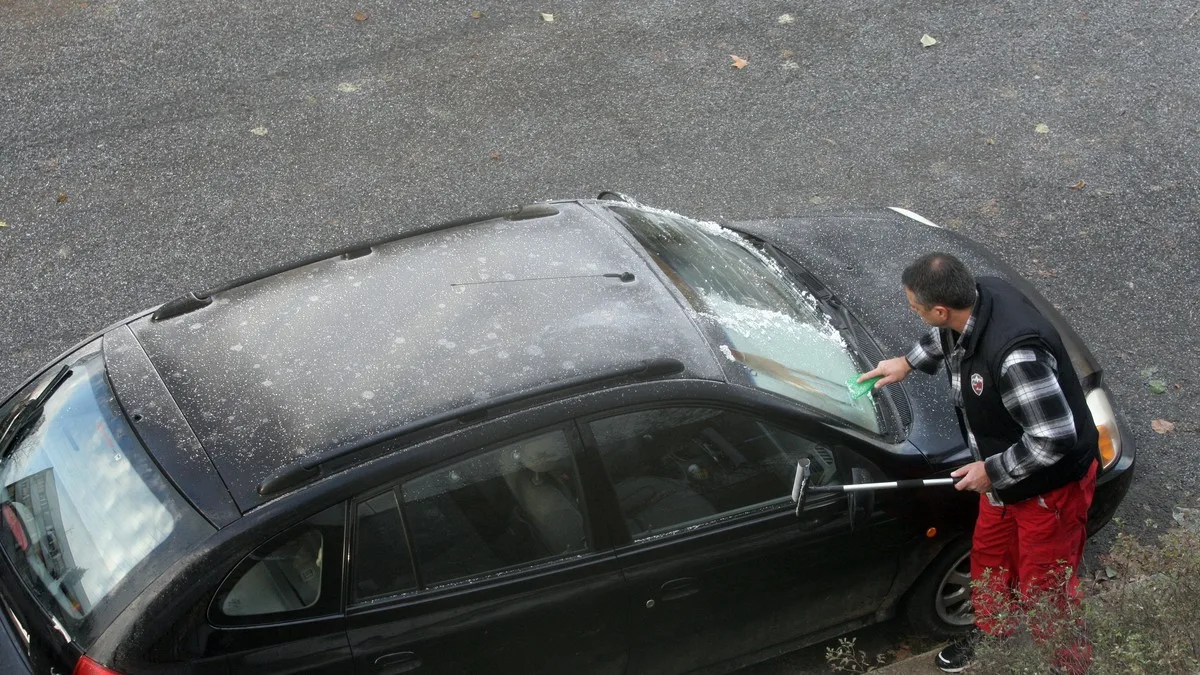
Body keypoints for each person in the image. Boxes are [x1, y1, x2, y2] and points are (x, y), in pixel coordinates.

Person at [860, 252, 1099, 674]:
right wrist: (908, 363)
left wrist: (991, 470)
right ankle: (992, 635)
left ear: (939, 308)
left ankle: (1069, 664)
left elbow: (1054, 437)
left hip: (1049, 490)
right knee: (988, 563)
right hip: (1005, 481)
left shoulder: (1016, 356)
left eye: (915, 307)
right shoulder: (976, 296)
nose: (912, 311)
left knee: (1045, 590)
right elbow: (948, 337)